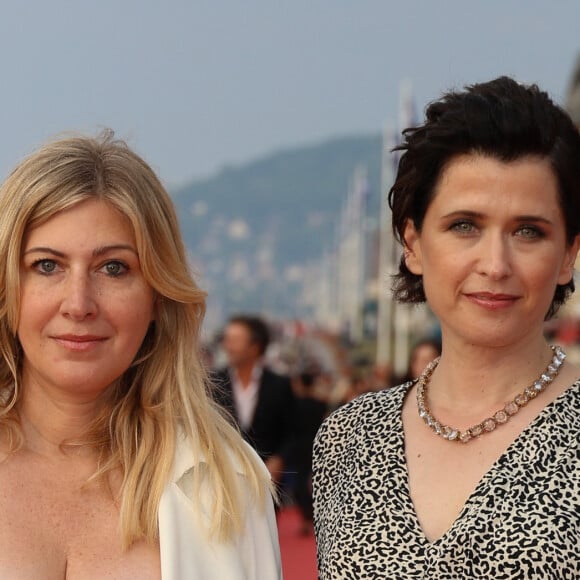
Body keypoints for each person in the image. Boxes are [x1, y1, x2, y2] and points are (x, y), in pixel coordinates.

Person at [313, 77, 580, 578]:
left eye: (529, 231)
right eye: (465, 226)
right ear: (412, 243)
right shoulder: (347, 439)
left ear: (568, 254)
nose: (495, 264)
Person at [0, 131, 281, 579]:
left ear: (157, 297)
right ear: (8, 289)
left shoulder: (229, 481)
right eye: (47, 266)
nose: (78, 303)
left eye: (113, 268)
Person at [214, 315, 295, 486]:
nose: (228, 347)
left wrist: (279, 459)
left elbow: (292, 431)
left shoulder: (279, 385)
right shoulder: (214, 383)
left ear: (255, 347)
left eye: (235, 341)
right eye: (226, 340)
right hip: (225, 481)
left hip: (267, 482)